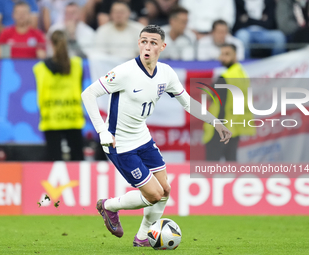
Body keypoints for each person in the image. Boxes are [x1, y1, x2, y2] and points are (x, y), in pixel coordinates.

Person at [81, 25, 231, 246]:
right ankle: (109, 206)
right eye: (143, 41)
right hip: (119, 143)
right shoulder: (124, 72)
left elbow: (187, 102)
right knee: (153, 194)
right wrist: (102, 131)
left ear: (163, 46)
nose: (147, 46)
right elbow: (88, 94)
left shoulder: (166, 73)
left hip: (143, 138)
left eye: (153, 42)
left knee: (165, 190)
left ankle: (142, 238)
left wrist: (214, 121)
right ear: (138, 44)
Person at [34, 30, 85, 161]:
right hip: (73, 117)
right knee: (77, 160)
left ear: (50, 43)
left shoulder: (39, 68)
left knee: (53, 162)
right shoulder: (77, 65)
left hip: (51, 119)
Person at [203, 44, 255, 161]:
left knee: (211, 167)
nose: (223, 57)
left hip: (219, 127)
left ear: (235, 56)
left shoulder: (225, 77)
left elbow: (207, 95)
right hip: (234, 127)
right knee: (231, 164)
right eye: (222, 54)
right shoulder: (242, 74)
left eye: (227, 54)